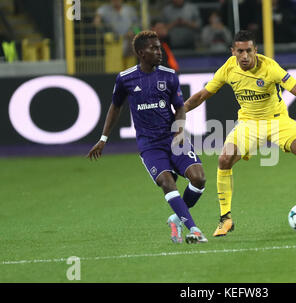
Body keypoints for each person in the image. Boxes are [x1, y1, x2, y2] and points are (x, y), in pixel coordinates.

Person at [184, 30, 296, 237]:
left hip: (278, 120)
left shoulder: (270, 67)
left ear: (255, 50)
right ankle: (225, 219)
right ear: (233, 51)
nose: (244, 56)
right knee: (224, 159)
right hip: (248, 124)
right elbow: (202, 95)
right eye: (240, 51)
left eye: (248, 50)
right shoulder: (228, 69)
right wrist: (179, 112)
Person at [87, 31, 207, 244]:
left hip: (173, 139)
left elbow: (179, 107)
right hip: (150, 145)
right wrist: (103, 139)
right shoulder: (125, 79)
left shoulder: (169, 75)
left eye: (159, 47)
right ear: (141, 53)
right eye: (153, 48)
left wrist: (179, 131)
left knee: (198, 179)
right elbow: (115, 107)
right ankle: (194, 230)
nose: (159, 51)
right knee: (167, 183)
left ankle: (176, 218)